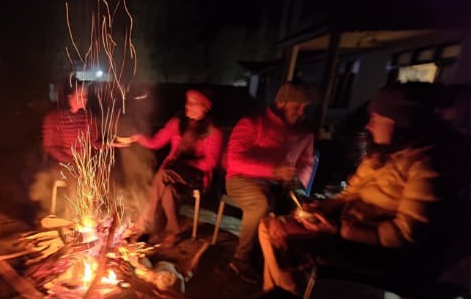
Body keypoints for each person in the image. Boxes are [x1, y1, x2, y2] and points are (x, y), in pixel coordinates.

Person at [257, 83, 442, 295]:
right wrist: (325, 206)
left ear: (399, 122)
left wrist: (341, 231)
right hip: (345, 226)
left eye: (376, 119)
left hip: (371, 248)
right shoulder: (380, 155)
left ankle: (285, 297)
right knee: (268, 225)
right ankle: (276, 293)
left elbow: (404, 234)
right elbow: (349, 194)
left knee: (279, 232)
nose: (369, 126)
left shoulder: (425, 165)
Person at [224, 81, 315, 282]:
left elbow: (306, 162)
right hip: (242, 179)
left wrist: (299, 182)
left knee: (305, 211)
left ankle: (285, 261)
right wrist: (273, 170)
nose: (301, 112)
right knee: (261, 202)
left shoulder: (303, 132)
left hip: (282, 184)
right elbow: (236, 160)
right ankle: (241, 260)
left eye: (304, 107)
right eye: (296, 106)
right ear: (281, 102)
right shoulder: (253, 124)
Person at [117, 88, 223, 247]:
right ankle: (173, 232)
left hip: (196, 175)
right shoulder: (178, 123)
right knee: (167, 189)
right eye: (188, 102)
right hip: (171, 172)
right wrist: (138, 138)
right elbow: (156, 142)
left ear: (204, 107)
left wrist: (185, 164)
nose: (188, 106)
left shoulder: (213, 132)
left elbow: (210, 163)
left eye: (194, 103)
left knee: (164, 174)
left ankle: (145, 220)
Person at [41, 81, 100, 167]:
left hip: (84, 164)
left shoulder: (88, 117)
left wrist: (111, 143)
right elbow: (50, 147)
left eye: (86, 96)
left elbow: (92, 143)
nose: (85, 99)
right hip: (61, 166)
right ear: (70, 97)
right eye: (81, 96)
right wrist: (71, 161)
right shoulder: (53, 118)